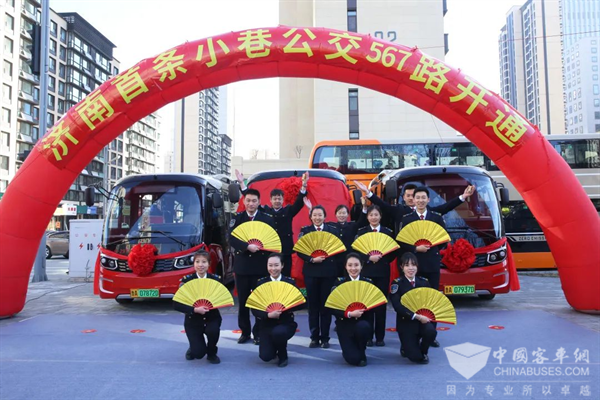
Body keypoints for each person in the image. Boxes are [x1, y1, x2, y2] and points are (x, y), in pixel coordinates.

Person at [235, 170, 308, 277]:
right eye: (275, 199)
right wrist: (242, 183)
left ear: (283, 200)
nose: (277, 201)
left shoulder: (288, 211)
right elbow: (251, 200)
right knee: (268, 276)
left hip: (285, 250)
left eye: (279, 199)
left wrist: (304, 186)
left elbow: (299, 203)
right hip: (268, 249)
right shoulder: (265, 211)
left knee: (285, 276)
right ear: (270, 200)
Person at [398, 186, 447, 347]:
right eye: (417, 197)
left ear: (428, 199)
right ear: (413, 200)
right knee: (412, 299)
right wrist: (415, 248)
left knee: (431, 299)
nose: (420, 200)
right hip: (413, 266)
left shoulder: (436, 218)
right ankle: (412, 333)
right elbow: (402, 241)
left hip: (432, 264)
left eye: (423, 197)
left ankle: (430, 334)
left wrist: (432, 249)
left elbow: (443, 240)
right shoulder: (407, 219)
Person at [229, 188, 275, 345]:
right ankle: (245, 332)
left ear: (259, 202)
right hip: (242, 267)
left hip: (260, 267)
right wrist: (246, 246)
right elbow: (231, 238)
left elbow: (272, 241)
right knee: (243, 302)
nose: (251, 204)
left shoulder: (267, 219)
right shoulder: (238, 218)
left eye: (254, 201)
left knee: (260, 301)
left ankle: (259, 333)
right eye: (248, 200)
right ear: (244, 201)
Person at [354, 180, 475, 232]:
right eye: (408, 196)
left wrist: (463, 196)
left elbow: (446, 207)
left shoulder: (429, 211)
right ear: (404, 197)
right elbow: (382, 204)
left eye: (414, 196)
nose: (412, 198)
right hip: (406, 254)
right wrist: (368, 192)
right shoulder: (398, 210)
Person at [297, 205, 340, 348]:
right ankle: (314, 337)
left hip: (328, 273)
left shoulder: (332, 230)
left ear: (325, 216)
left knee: (326, 306)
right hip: (311, 272)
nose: (317, 218)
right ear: (310, 217)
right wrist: (311, 259)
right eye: (314, 215)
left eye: (320, 215)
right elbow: (299, 250)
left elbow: (338, 250)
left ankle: (325, 338)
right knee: (313, 306)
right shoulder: (305, 231)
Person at [354, 204, 396, 347]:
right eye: (371, 215)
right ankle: (368, 336)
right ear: (367, 217)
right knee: (367, 305)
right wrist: (368, 258)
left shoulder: (387, 232)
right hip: (366, 272)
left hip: (382, 272)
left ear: (380, 216)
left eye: (376, 215)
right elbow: (356, 251)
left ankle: (380, 337)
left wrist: (382, 259)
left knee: (381, 305)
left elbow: (393, 251)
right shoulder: (361, 232)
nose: (373, 217)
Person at [251, 253, 302, 368]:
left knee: (279, 333)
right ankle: (273, 348)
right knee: (265, 356)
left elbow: (301, 303)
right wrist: (268, 315)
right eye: (270, 265)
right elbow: (254, 308)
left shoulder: (290, 282)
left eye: (276, 265)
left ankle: (283, 354)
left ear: (282, 265)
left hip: (285, 322)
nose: (273, 268)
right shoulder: (261, 283)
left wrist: (284, 308)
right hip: (266, 324)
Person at [173, 250, 222, 364]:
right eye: (197, 262)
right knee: (198, 354)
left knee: (213, 331)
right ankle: (193, 348)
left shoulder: (216, 280)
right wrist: (194, 309)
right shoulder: (187, 281)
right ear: (194, 264)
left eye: (204, 262)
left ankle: (212, 353)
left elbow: (221, 298)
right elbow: (176, 304)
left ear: (209, 264)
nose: (201, 265)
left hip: (212, 318)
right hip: (193, 320)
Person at [327, 253, 376, 367]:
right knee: (353, 359)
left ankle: (362, 349)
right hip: (344, 324)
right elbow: (332, 307)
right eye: (350, 265)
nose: (353, 268)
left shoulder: (368, 283)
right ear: (345, 266)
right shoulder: (339, 283)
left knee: (363, 327)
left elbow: (374, 306)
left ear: (361, 266)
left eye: (356, 265)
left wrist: (363, 310)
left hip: (362, 323)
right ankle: (351, 350)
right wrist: (349, 313)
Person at [390, 253, 437, 364]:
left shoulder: (424, 282)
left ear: (417, 266)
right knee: (413, 356)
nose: (411, 268)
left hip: (422, 322)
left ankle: (423, 351)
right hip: (406, 321)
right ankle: (406, 345)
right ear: (401, 267)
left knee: (431, 332)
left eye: (413, 265)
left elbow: (431, 302)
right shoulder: (397, 284)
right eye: (407, 265)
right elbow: (397, 306)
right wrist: (416, 316)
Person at [304, 198, 368, 275]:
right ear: (336, 214)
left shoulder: (352, 225)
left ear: (348, 214)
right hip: (335, 260)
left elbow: (361, 222)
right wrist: (310, 210)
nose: (342, 215)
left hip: (350, 258)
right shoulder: (330, 226)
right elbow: (317, 222)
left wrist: (364, 207)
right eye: (339, 213)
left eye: (344, 213)